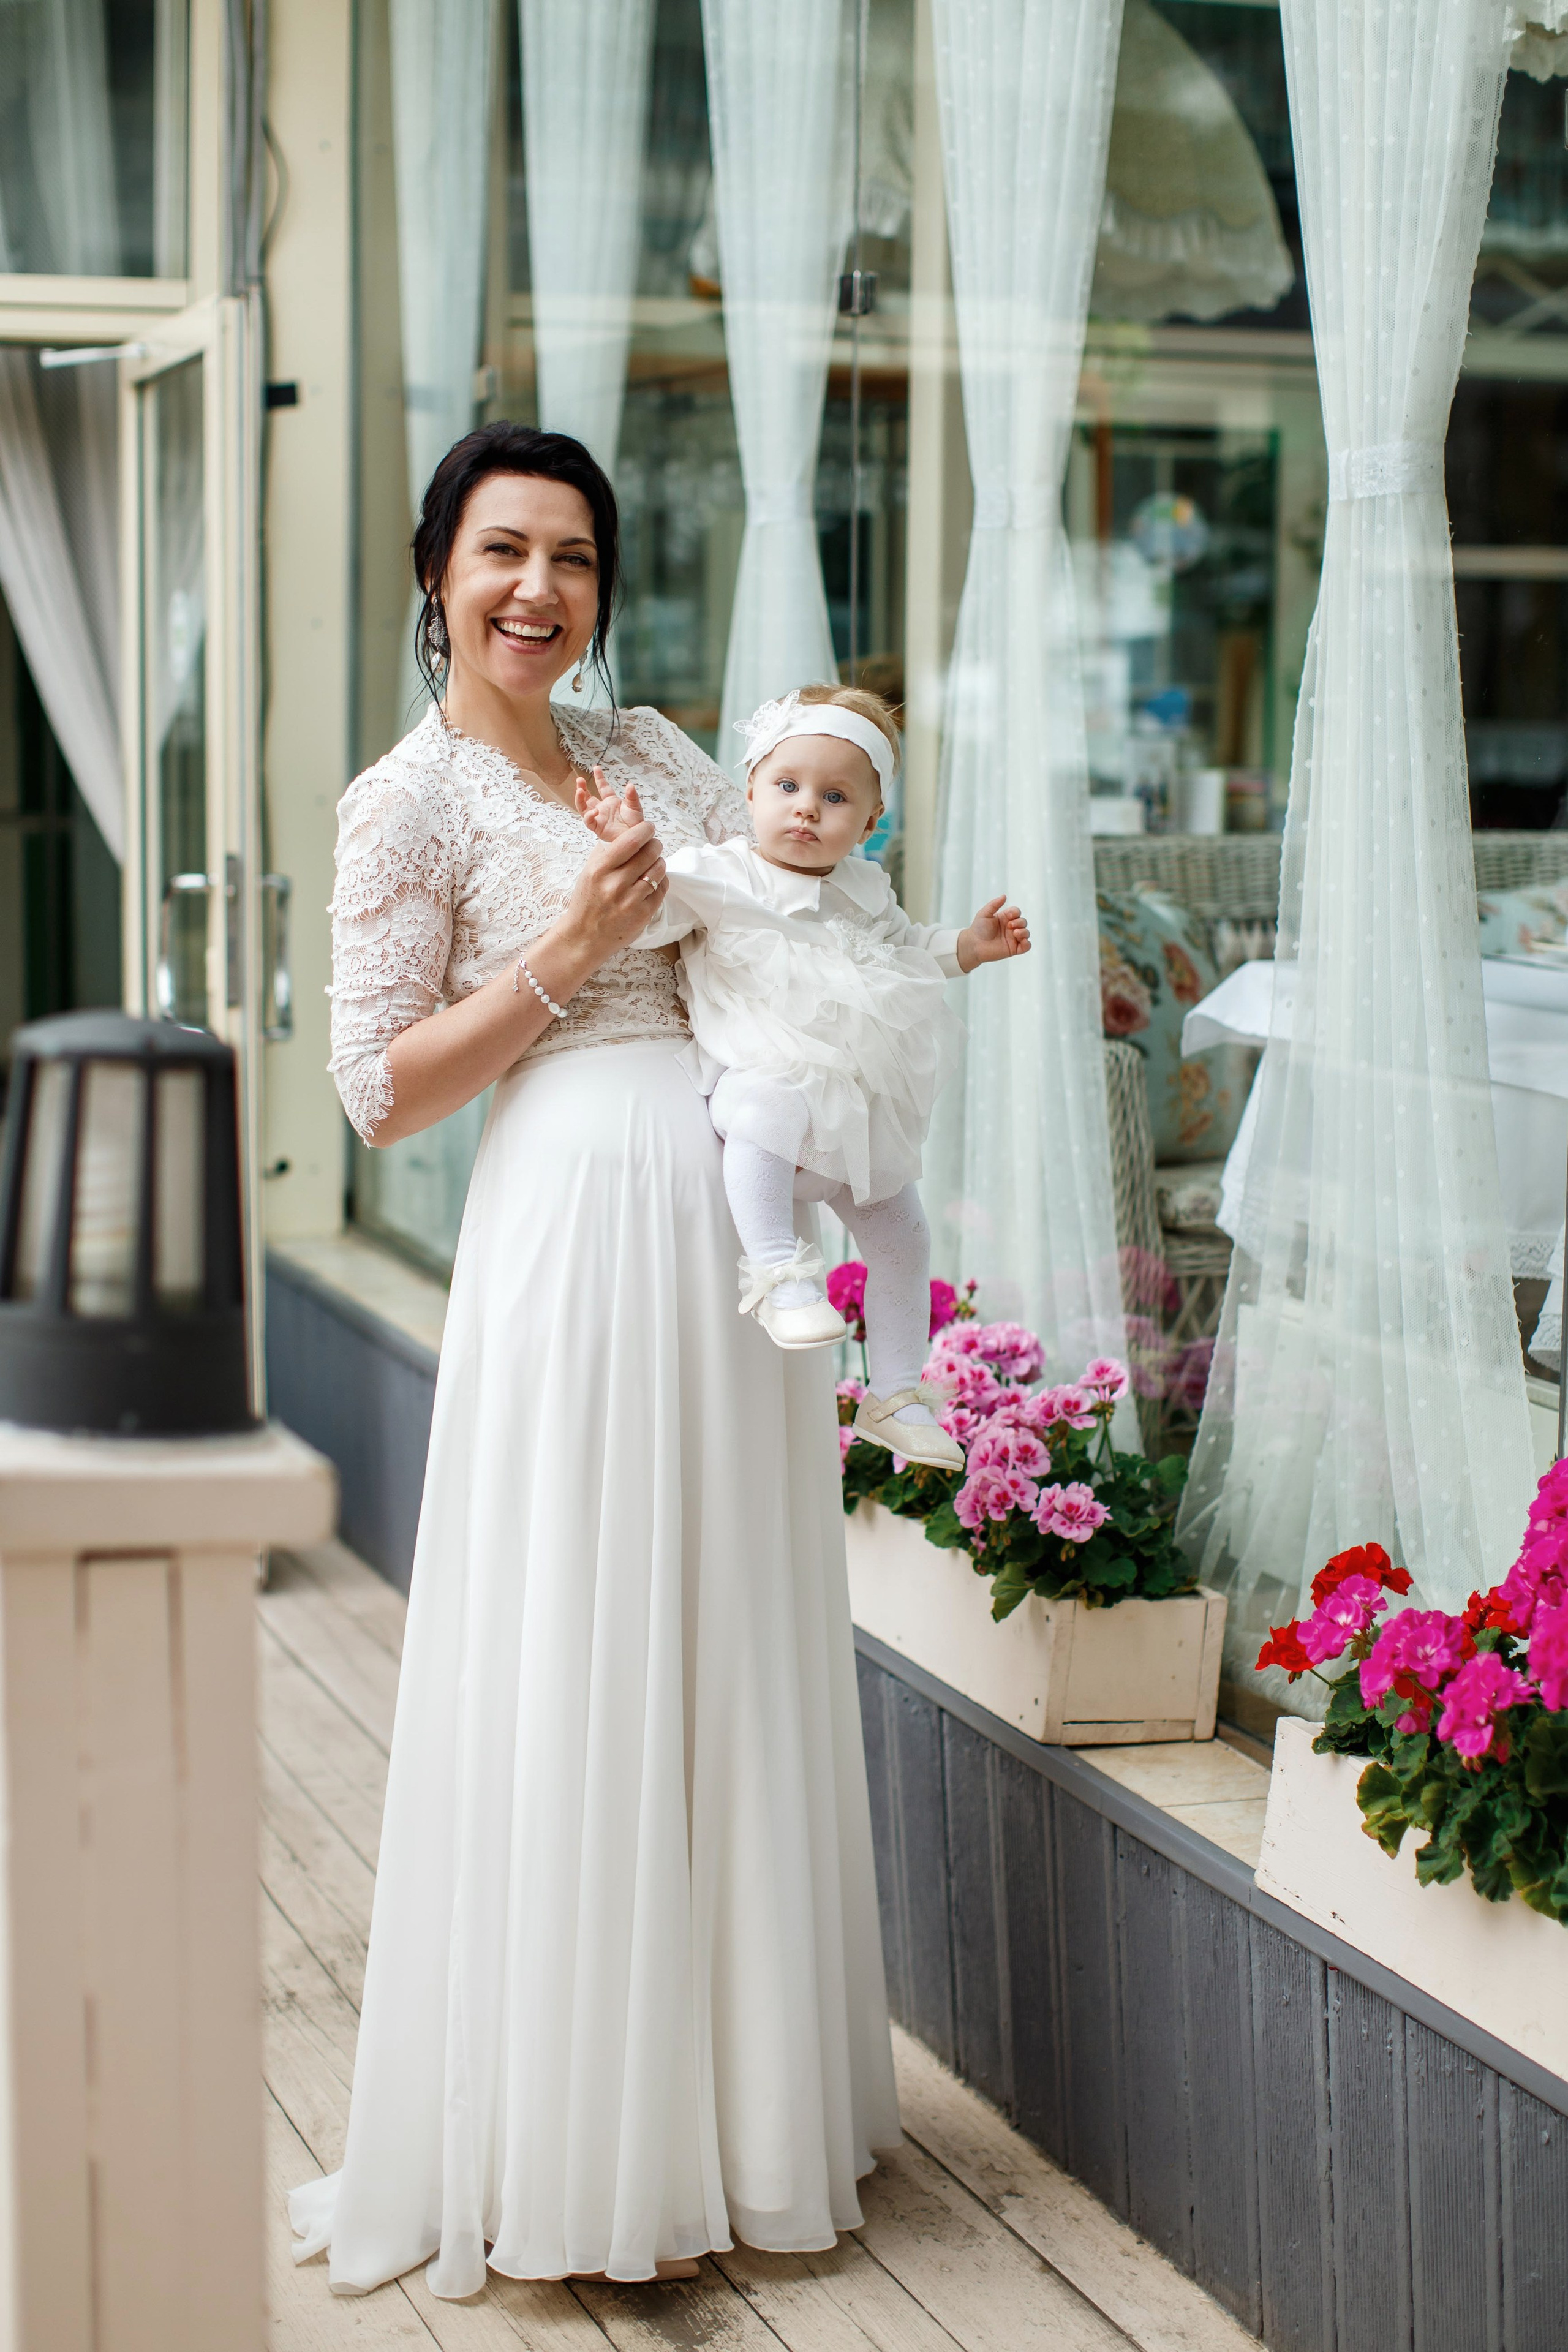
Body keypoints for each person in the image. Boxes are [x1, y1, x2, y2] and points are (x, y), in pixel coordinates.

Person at [290, 422, 900, 2296]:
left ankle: (733, 2117)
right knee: (582, 1635)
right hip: (564, 1227)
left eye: (568, 557)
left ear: (603, 588)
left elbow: (787, 921)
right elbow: (379, 1093)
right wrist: (564, 946)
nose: (535, 589)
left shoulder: (651, 752)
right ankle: (572, 2136)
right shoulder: (402, 800)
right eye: (500, 553)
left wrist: (923, 974)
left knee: (726, 1634)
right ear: (435, 575)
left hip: (726, 1237)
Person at [578, 682, 1030, 1471]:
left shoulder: (864, 887)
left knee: (902, 1232)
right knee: (766, 1106)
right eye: (787, 787)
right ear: (750, 789)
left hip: (851, 1103)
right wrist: (627, 847)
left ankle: (894, 1393)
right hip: (756, 1077)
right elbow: (650, 921)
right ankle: (779, 1274)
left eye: (835, 797)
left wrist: (968, 944)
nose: (806, 810)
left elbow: (905, 948)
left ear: (870, 821)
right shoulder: (718, 873)